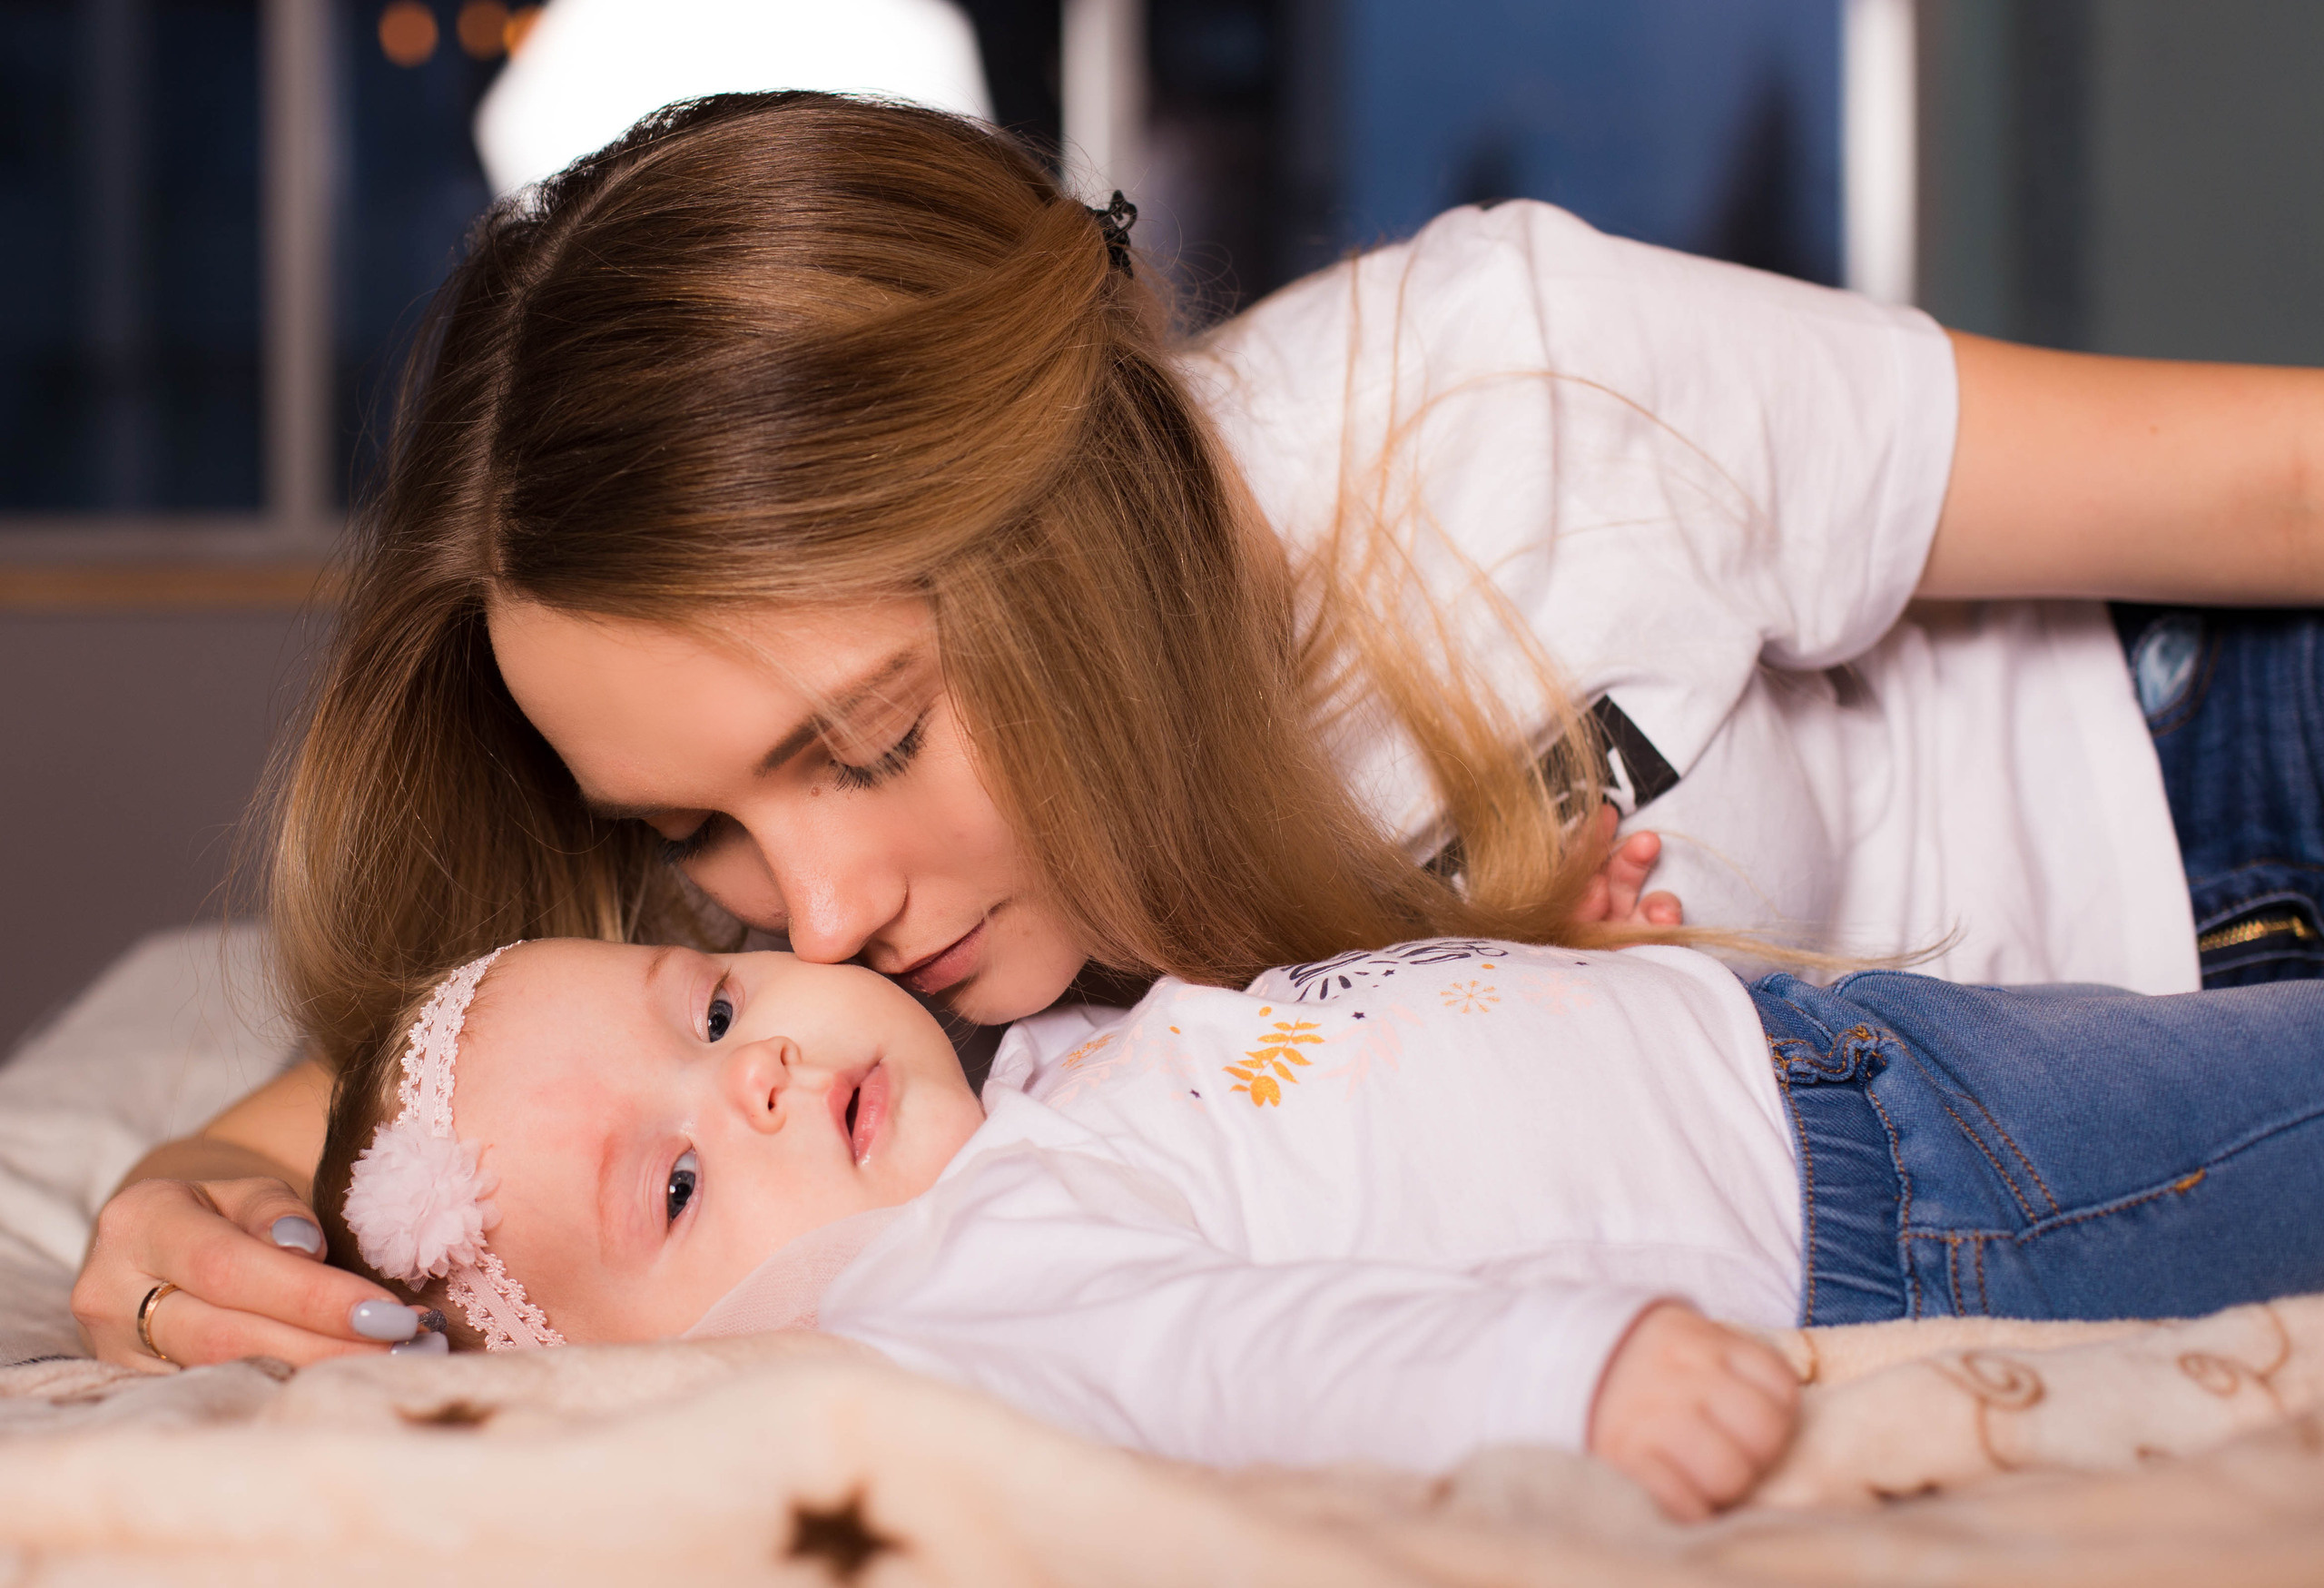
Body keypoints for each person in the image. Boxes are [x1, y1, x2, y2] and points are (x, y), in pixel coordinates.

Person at [74, 92, 2324, 1368]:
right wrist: (222, 1181)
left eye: (863, 740)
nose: (824, 908)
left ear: (1074, 525)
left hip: (2220, 755)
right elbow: (522, 1074)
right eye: (695, 837)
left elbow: (2266, 476)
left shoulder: (1499, 392)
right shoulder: (821, 1058)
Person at [310, 936, 2324, 1521]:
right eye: (670, 1187)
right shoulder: (956, 1281)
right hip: (1898, 1201)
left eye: (712, 999)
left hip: (1829, 1052)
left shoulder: (1004, 1100)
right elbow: (1241, 1351)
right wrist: (1563, 1364)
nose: (745, 1075)